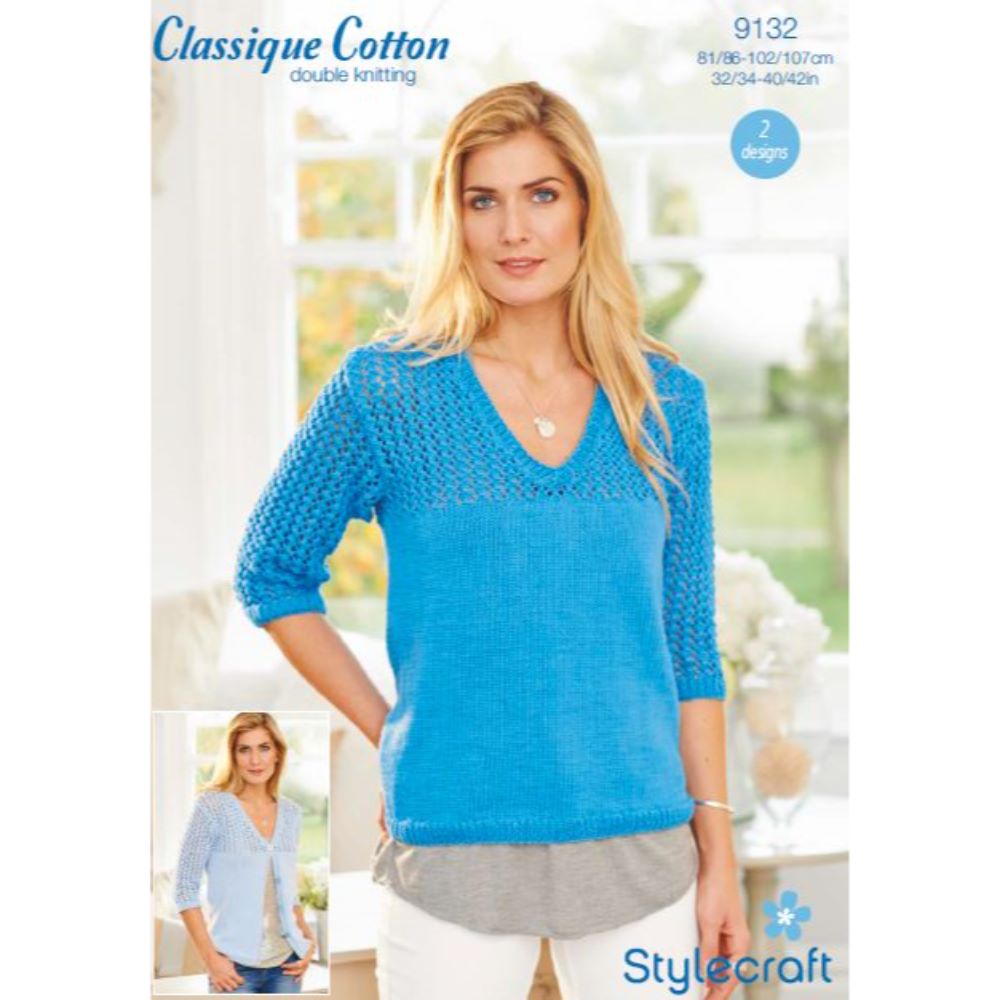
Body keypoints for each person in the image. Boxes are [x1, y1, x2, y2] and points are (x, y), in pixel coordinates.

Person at [234, 81, 751, 999]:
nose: (514, 230)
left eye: (541, 194)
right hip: (451, 846)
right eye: (484, 200)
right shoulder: (387, 390)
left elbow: (688, 640)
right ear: (455, 218)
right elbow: (270, 572)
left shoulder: (666, 401)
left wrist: (719, 853)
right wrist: (391, 728)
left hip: (642, 844)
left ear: (584, 206)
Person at [173, 712, 317, 994]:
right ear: (232, 756)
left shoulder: (292, 813)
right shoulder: (211, 807)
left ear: (277, 753)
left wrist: (308, 940)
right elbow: (184, 889)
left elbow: (288, 891)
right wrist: (211, 959)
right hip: (232, 967)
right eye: (244, 750)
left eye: (264, 748)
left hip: (288, 965)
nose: (255, 760)